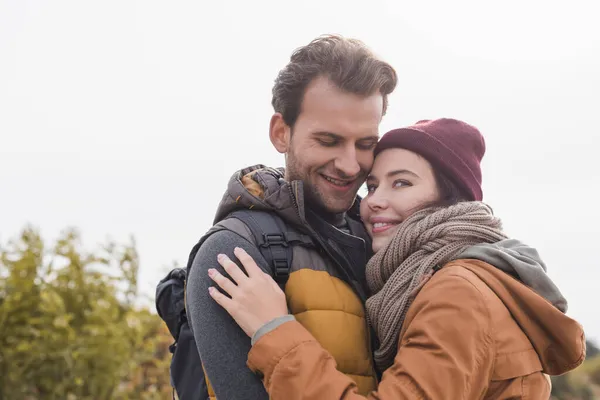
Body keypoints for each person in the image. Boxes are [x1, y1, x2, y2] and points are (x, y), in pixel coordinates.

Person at [208, 118, 586, 399]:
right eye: (372, 185)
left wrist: (274, 330)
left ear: (450, 200)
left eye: (401, 183)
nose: (373, 201)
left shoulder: (457, 293)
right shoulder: (466, 275)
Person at [184, 34, 398, 399]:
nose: (350, 166)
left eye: (366, 144)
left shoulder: (382, 242)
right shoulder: (233, 253)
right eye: (328, 141)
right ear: (281, 133)